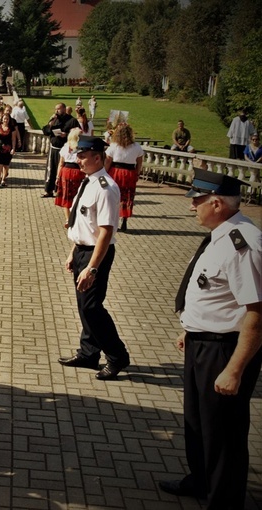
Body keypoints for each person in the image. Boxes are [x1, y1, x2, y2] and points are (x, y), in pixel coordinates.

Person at [160, 168, 261, 508]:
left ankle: (224, 500)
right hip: (202, 343)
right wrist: (191, 329)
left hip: (225, 351)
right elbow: (215, 294)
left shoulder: (242, 243)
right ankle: (201, 481)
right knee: (197, 423)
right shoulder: (221, 233)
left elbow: (257, 314)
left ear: (216, 203)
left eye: (197, 200)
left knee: (223, 433)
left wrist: (234, 370)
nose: (192, 206)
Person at [58, 136, 130, 381]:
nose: (77, 159)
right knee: (83, 306)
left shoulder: (106, 188)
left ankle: (117, 356)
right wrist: (74, 252)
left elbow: (106, 231)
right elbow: (85, 225)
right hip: (82, 251)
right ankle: (89, 353)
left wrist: (92, 268)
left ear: (97, 157)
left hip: (96, 255)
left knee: (92, 307)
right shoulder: (87, 182)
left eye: (82, 155)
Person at [104, 123, 144, 232]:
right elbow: (139, 162)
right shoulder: (136, 146)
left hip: (115, 172)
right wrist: (137, 173)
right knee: (127, 196)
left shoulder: (114, 146)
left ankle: (113, 220)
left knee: (114, 195)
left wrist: (104, 172)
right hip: (130, 172)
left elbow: (108, 161)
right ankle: (124, 220)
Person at [41, 103, 79, 198]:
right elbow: (45, 131)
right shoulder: (54, 119)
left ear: (64, 109)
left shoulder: (72, 120)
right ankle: (48, 190)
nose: (56, 111)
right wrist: (51, 123)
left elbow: (78, 133)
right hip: (53, 148)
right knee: (51, 169)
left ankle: (59, 191)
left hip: (64, 150)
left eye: (58, 109)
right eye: (55, 109)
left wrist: (66, 135)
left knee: (61, 170)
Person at [54, 128, 85, 228]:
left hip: (66, 171)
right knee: (78, 195)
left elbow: (61, 163)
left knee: (66, 195)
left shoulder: (66, 147)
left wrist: (58, 176)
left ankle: (68, 218)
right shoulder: (81, 147)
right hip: (78, 172)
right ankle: (75, 218)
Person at [0, 112, 18, 188]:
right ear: (2, 119)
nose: (6, 120)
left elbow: (13, 139)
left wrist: (13, 148)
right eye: (4, 119)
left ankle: (3, 179)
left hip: (8, 149)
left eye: (7, 119)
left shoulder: (12, 128)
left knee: (6, 165)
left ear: (9, 120)